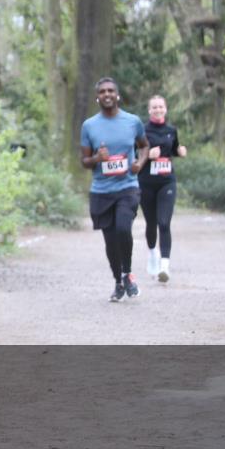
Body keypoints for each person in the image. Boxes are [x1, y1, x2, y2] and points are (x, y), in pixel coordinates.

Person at [79, 77, 150, 302]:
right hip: (101, 190)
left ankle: (127, 273)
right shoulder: (89, 125)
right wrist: (96, 158)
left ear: (117, 95)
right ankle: (119, 281)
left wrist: (140, 162)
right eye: (102, 91)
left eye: (111, 91)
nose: (107, 94)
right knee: (110, 241)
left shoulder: (132, 121)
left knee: (123, 229)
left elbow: (144, 145)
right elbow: (84, 161)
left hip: (127, 187)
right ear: (97, 97)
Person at [138, 95, 187, 282]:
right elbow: (135, 153)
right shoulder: (142, 130)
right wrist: (148, 154)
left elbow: (173, 148)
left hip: (167, 181)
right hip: (146, 181)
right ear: (149, 110)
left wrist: (179, 151)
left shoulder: (171, 130)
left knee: (164, 222)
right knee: (151, 223)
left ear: (165, 109)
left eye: (161, 106)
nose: (158, 110)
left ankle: (164, 265)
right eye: (154, 107)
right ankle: (152, 254)